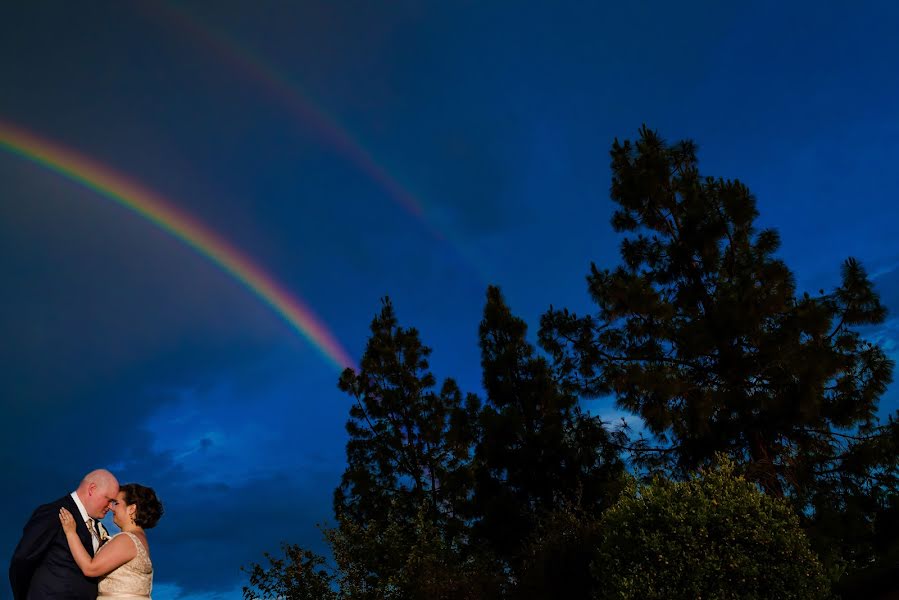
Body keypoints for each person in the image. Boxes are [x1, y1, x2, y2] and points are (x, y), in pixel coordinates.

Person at [9, 469, 120, 600]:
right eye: (109, 500)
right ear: (92, 489)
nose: (111, 507)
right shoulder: (54, 514)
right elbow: (22, 559)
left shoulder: (100, 528)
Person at [59, 483, 163, 599]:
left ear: (131, 509)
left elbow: (90, 568)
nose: (112, 508)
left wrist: (71, 532)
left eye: (116, 503)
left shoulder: (126, 539)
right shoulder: (140, 537)